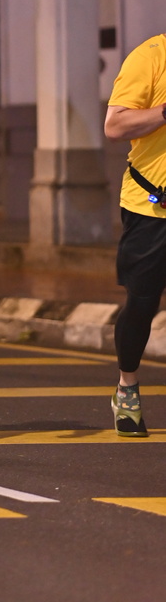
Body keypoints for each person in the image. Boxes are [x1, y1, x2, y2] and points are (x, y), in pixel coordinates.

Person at [105, 33, 166, 437]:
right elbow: (115, 125)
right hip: (152, 206)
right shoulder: (151, 56)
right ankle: (127, 385)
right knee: (142, 305)